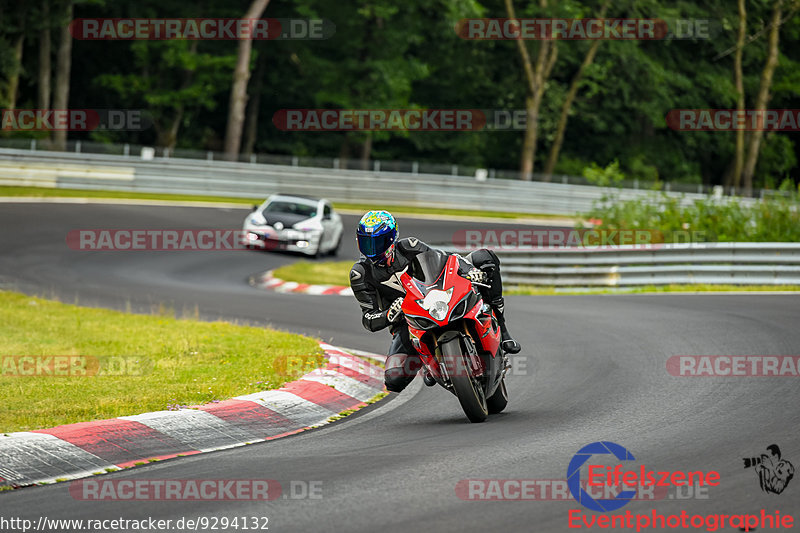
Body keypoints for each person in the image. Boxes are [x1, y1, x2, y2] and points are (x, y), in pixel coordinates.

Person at [349, 210, 521, 393]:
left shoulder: (409, 246)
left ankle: (502, 330)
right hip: (407, 322)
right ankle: (427, 363)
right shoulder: (360, 273)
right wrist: (389, 314)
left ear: (392, 239)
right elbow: (368, 319)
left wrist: (469, 270)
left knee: (485, 257)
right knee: (394, 379)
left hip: (437, 298)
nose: (372, 250)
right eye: (367, 243)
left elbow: (446, 259)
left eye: (378, 242)